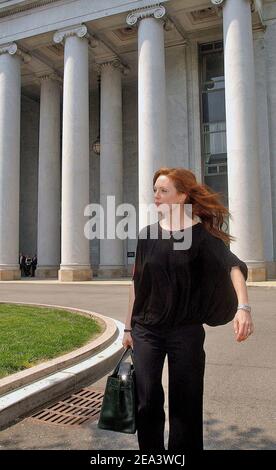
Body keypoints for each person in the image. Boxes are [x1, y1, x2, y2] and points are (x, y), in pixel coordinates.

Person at [122, 167, 254, 452]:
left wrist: (243, 307)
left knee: (186, 404)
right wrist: (128, 326)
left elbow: (233, 267)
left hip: (185, 332)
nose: (156, 196)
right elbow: (136, 284)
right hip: (147, 331)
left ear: (182, 196)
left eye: (163, 191)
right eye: (154, 190)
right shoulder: (147, 235)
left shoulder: (201, 236)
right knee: (146, 402)